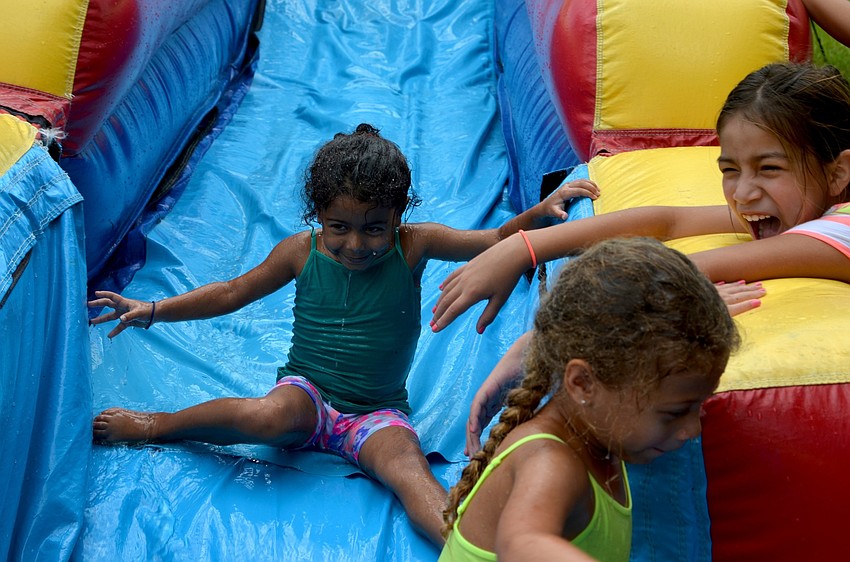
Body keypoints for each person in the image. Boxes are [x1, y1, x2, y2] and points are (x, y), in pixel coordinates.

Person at [87, 123, 598, 546]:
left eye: (374, 228)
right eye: (338, 227)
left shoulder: (414, 246)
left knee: (410, 474)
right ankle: (158, 424)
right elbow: (230, 292)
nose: (355, 244)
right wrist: (152, 308)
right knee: (266, 416)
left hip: (376, 413)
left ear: (398, 217)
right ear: (318, 218)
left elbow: (492, 241)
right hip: (307, 393)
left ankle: (469, 548)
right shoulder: (300, 252)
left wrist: (539, 210)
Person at [430, 62, 850, 335]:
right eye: (729, 170)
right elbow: (668, 222)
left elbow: (689, 270)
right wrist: (522, 248)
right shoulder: (792, 202)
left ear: (838, 173)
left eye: (769, 169)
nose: (742, 194)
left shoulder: (840, 227)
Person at [438, 237, 740, 561]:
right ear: (583, 384)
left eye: (698, 408)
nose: (693, 429)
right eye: (675, 412)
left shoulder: (602, 429)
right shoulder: (551, 462)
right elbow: (521, 543)